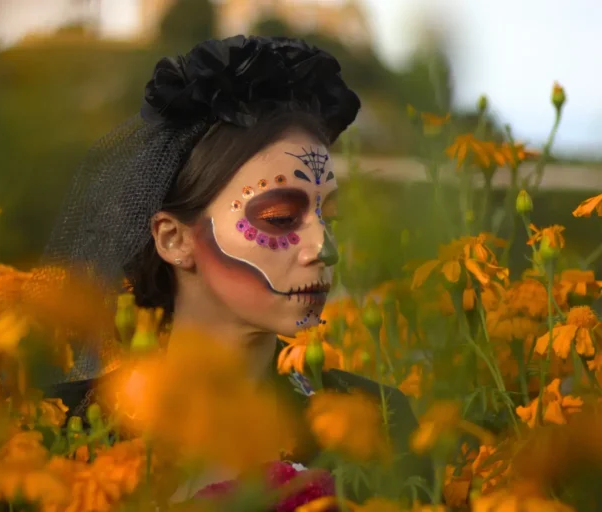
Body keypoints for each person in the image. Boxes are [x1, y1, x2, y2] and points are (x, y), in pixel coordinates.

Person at [43, 35, 433, 502]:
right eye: (280, 219)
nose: (323, 247)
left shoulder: (380, 424)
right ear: (174, 239)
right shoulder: (57, 429)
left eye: (331, 216)